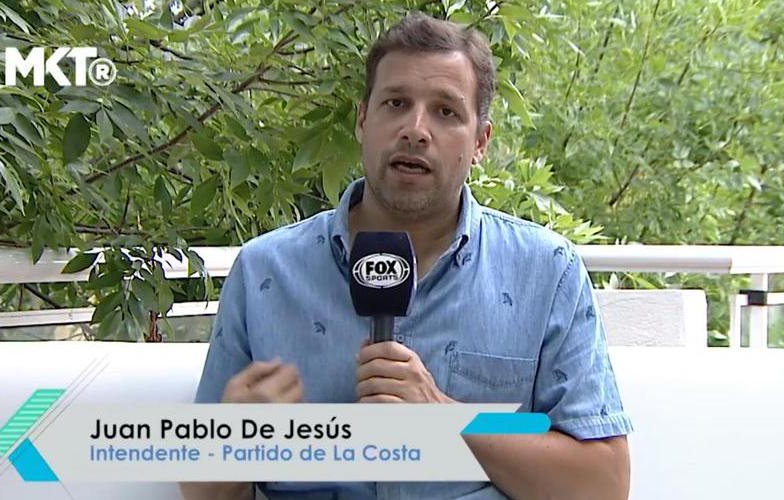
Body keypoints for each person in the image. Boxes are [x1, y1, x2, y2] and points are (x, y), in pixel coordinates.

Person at [181, 12, 631, 500]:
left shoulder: (546, 273)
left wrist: (447, 418)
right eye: (396, 103)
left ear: (480, 142)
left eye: (446, 112)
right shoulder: (264, 272)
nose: (416, 130)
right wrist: (234, 440)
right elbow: (204, 491)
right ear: (362, 120)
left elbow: (603, 483)